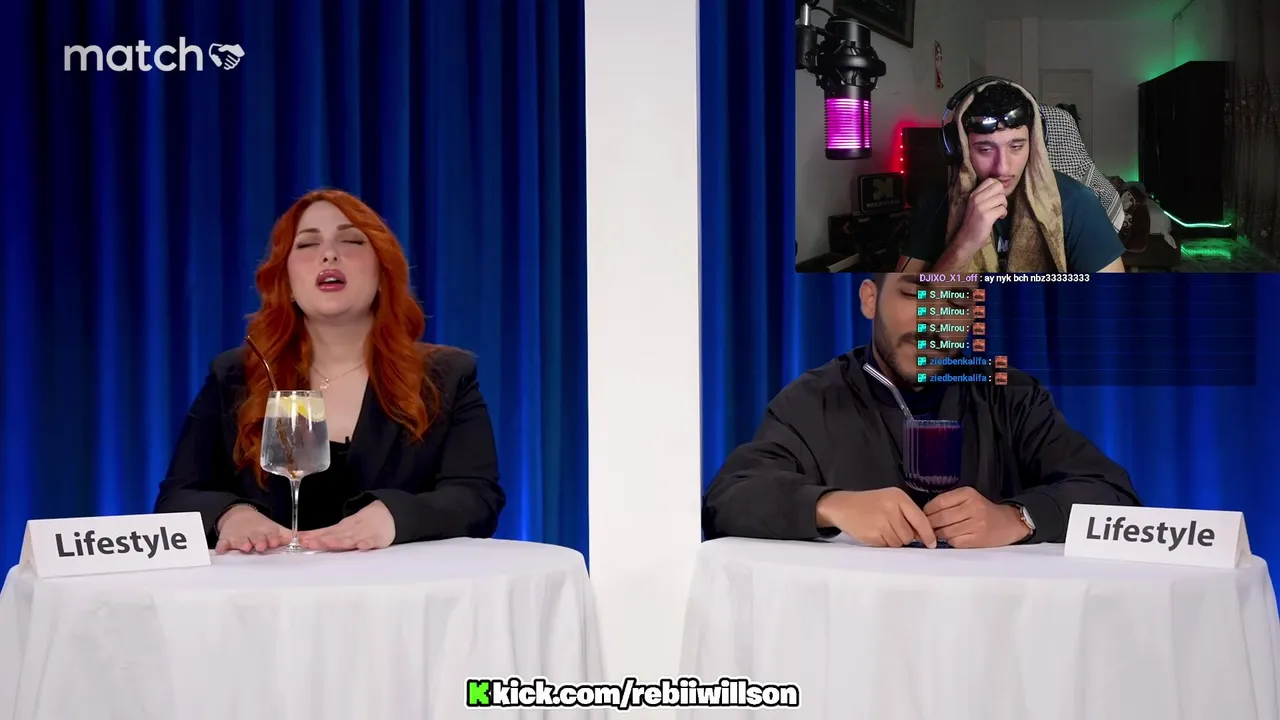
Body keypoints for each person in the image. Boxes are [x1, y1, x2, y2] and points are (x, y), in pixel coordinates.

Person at [155, 189, 505, 553]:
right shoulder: (234, 376)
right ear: (286, 280)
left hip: (395, 586)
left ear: (382, 273)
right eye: (307, 244)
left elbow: (476, 497)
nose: (329, 254)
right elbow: (177, 497)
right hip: (268, 586)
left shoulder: (445, 376)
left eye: (351, 241)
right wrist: (231, 515)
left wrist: (394, 517)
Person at [702, 273, 1141, 548]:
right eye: (915, 295)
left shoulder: (1011, 396)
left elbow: (1116, 496)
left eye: (955, 303)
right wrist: (831, 506)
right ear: (870, 299)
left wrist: (1017, 517)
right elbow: (727, 499)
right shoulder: (813, 400)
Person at [899, 80, 1127, 274]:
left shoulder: (1077, 204)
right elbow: (907, 307)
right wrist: (966, 240)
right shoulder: (937, 204)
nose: (1002, 167)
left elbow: (1114, 305)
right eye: (985, 149)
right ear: (960, 148)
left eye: (1016, 146)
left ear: (1035, 143)